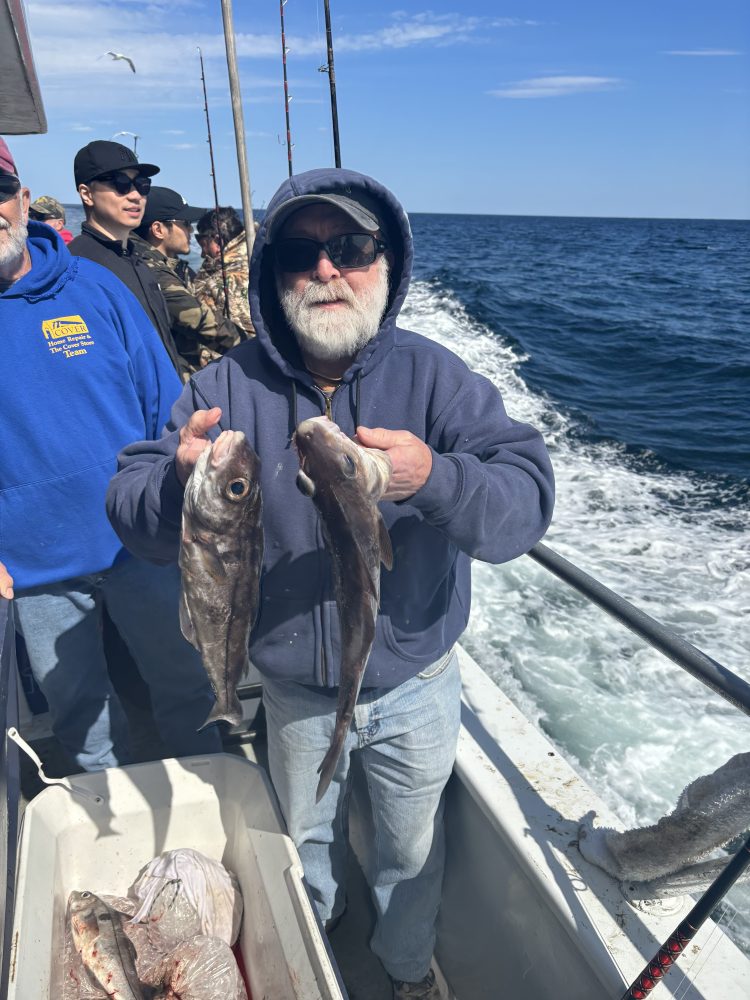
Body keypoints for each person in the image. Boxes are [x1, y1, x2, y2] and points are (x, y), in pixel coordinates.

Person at [106, 167, 555, 999]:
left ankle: (406, 969)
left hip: (417, 680)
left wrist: (434, 478)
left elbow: (525, 505)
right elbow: (132, 511)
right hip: (292, 691)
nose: (326, 271)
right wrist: (180, 484)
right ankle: (309, 956)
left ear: (385, 260)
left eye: (349, 247)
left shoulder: (437, 378)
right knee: (301, 841)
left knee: (410, 852)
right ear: (272, 273)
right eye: (300, 253)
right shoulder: (220, 387)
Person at [0, 135, 221, 771]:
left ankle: (211, 794)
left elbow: (166, 412)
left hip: (140, 544)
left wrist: (187, 509)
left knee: (187, 686)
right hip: (34, 568)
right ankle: (113, 839)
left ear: (21, 199)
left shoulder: (97, 289)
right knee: (80, 718)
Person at [68, 140, 184, 378]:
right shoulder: (74, 266)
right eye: (120, 184)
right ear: (86, 194)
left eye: (142, 185)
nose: (135, 196)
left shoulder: (139, 259)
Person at [131, 186, 245, 373]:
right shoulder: (152, 273)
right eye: (184, 223)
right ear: (158, 229)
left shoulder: (163, 266)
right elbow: (202, 322)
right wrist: (254, 350)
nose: (189, 231)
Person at [193, 206, 254, 337]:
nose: (203, 254)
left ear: (218, 241)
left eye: (202, 243)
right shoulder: (254, 259)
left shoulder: (230, 280)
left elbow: (241, 336)